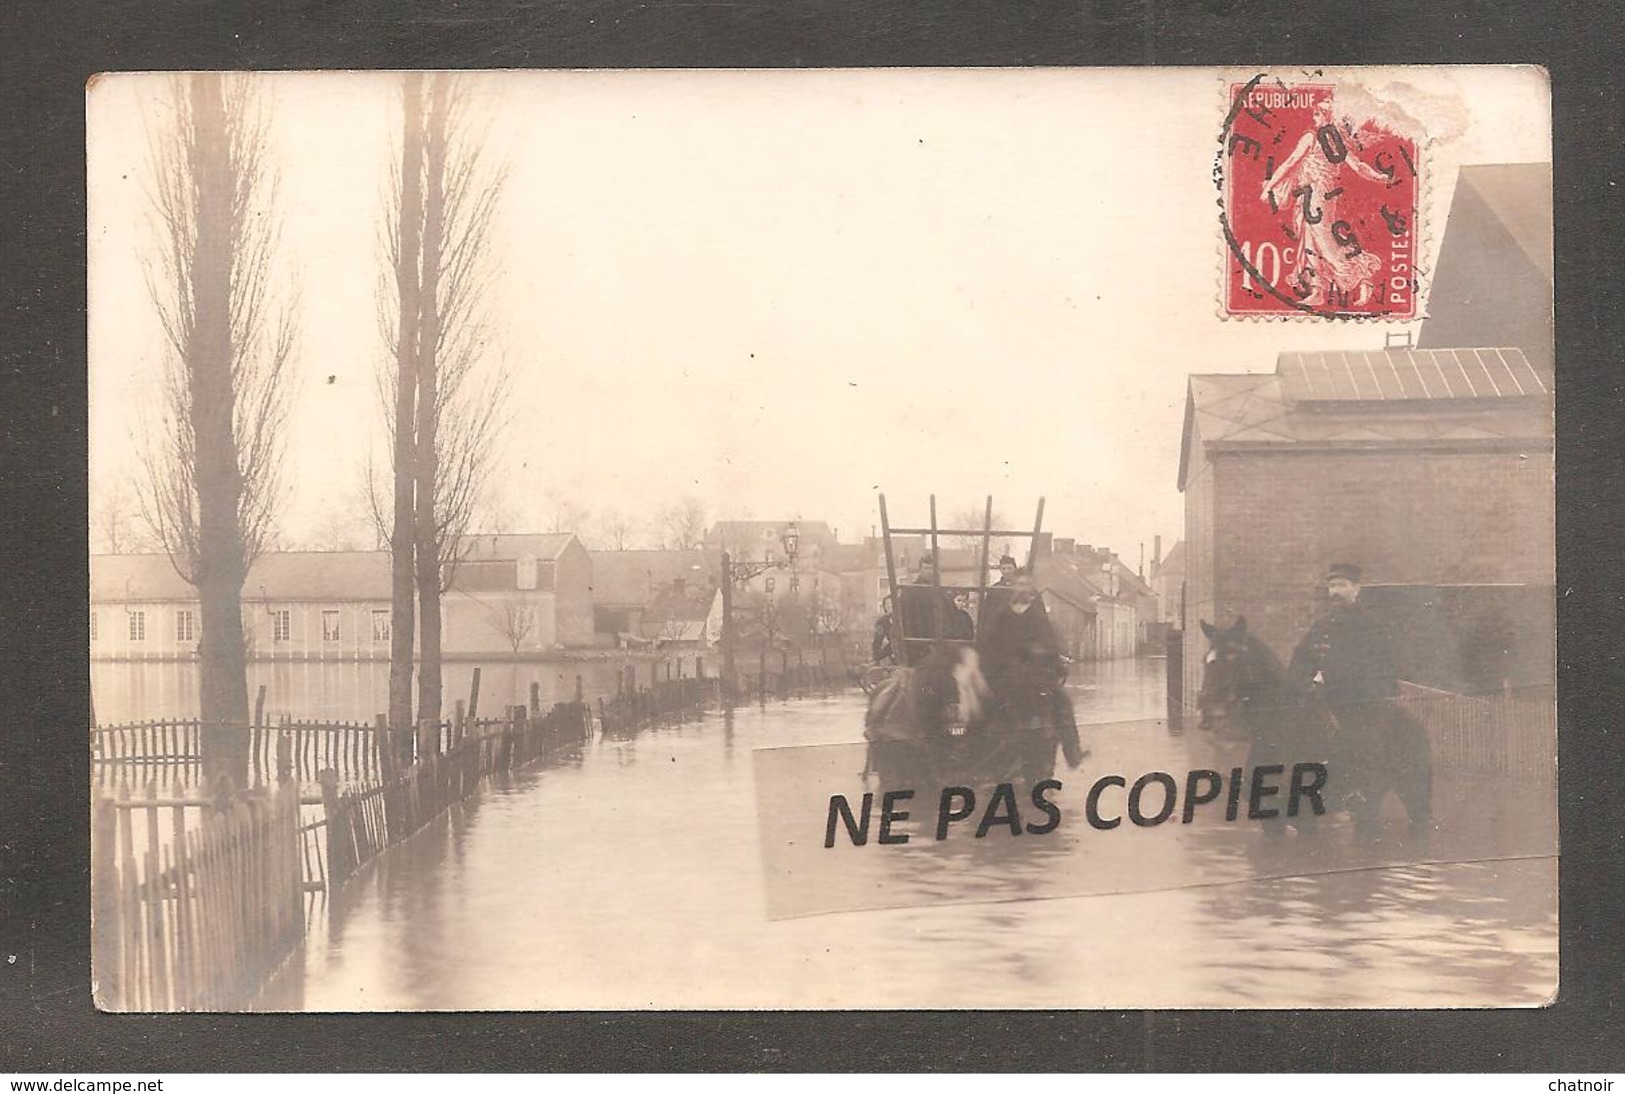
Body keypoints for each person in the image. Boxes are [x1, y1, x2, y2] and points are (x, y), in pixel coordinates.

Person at [1289, 562, 1427, 836]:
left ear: (1356, 589)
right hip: (1324, 699)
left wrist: (1328, 677)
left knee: (1355, 739)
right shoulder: (1322, 624)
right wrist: (1300, 682)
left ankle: (1358, 793)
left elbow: (1372, 665)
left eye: (1341, 585)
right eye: (1331, 586)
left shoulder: (1369, 625)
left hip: (1360, 700)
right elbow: (1300, 657)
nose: (1335, 592)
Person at [976, 570, 1085, 771]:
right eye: (1019, 584)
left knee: (1063, 703)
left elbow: (1051, 645)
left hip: (1035, 679)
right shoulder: (1001, 617)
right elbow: (989, 648)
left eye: (1027, 584)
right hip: (1007, 680)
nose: (1023, 588)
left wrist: (1053, 662)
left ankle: (1073, 753)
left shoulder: (1038, 616)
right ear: (1013, 587)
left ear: (1031, 588)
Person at [871, 596, 896, 664]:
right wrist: (876, 657)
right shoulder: (881, 622)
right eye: (887, 603)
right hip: (893, 648)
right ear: (884, 606)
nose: (889, 605)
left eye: (891, 603)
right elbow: (877, 639)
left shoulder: (903, 617)